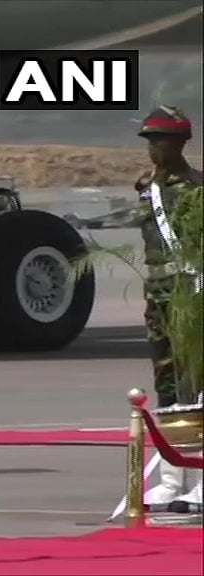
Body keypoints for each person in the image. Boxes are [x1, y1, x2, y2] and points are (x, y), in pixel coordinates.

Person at [133, 106, 203, 511]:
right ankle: (172, 478)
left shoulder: (197, 188)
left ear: (180, 142)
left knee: (198, 385)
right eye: (150, 140)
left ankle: (200, 476)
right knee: (167, 382)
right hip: (158, 293)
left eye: (161, 139)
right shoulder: (146, 188)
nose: (154, 147)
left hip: (189, 290)